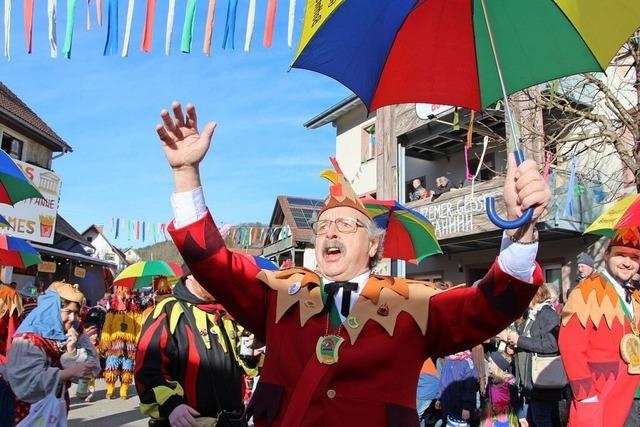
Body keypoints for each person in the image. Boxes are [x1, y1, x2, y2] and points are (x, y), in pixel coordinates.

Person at [156, 102, 550, 426]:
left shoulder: (414, 302)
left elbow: (486, 308)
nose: (330, 233)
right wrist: (186, 174)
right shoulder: (279, 293)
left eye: (345, 225)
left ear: (374, 247)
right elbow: (212, 264)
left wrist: (522, 233)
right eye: (323, 226)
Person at [135, 265, 258, 427]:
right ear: (191, 276)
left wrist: (251, 356)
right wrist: (172, 406)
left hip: (233, 420)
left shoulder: (227, 312)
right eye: (212, 276)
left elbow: (245, 366)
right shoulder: (168, 312)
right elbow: (147, 371)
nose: (219, 283)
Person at [559, 227, 640, 427]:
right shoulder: (585, 292)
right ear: (606, 255)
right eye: (620, 254)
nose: (627, 262)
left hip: (631, 397)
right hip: (600, 398)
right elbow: (571, 347)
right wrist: (586, 396)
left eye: (635, 257)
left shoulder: (635, 297)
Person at [0, 281, 99, 424]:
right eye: (68, 312)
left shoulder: (74, 330)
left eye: (76, 313)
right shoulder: (29, 337)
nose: (73, 318)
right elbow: (26, 384)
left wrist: (72, 352)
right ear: (53, 308)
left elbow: (92, 368)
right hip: (24, 411)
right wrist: (69, 372)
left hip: (55, 407)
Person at [508, 284, 563, 427]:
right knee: (535, 420)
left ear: (535, 296)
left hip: (542, 379)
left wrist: (519, 340)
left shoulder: (547, 314)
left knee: (541, 420)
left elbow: (552, 344)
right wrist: (515, 345)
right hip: (533, 381)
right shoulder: (533, 314)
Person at [100, 285, 142, 399]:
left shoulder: (135, 311)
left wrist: (139, 342)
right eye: (119, 292)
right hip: (115, 344)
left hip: (129, 345)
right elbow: (107, 327)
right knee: (111, 366)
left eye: (125, 292)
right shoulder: (112, 311)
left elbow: (139, 328)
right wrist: (105, 340)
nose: (123, 295)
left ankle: (124, 390)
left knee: (127, 368)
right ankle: (110, 389)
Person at [436, 350, 478, 427]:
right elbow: (443, 380)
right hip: (447, 404)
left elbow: (470, 387)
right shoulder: (448, 360)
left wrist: (466, 407)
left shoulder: (468, 363)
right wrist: (439, 397)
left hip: (460, 408)